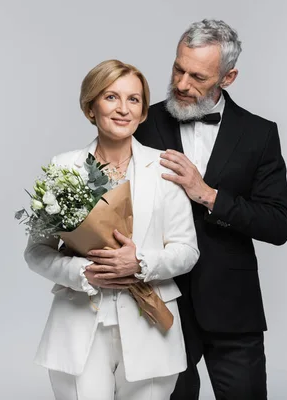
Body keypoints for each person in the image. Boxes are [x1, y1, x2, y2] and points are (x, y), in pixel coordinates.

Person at [133, 19, 287, 399]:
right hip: (160, 303)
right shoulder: (142, 122)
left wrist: (207, 194)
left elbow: (279, 224)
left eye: (198, 76)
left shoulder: (259, 134)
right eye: (178, 68)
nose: (183, 84)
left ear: (229, 76)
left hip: (233, 307)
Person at [24, 59, 200, 400]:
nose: (123, 109)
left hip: (151, 331)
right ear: (91, 107)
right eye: (110, 97)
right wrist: (85, 272)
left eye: (133, 99)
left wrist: (141, 263)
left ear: (144, 111)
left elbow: (187, 251)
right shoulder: (62, 168)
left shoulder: (165, 168)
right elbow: (36, 252)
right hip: (78, 328)